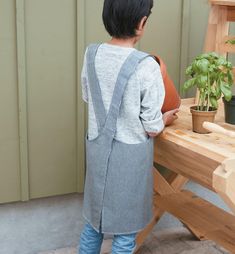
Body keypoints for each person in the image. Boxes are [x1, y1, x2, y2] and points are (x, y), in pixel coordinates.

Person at [78, 0, 179, 253]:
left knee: (94, 225)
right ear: (142, 22)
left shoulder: (91, 54)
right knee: (125, 233)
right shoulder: (147, 66)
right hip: (130, 160)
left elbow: (89, 97)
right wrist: (166, 118)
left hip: (98, 153)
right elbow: (153, 127)